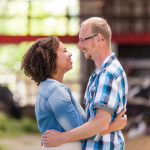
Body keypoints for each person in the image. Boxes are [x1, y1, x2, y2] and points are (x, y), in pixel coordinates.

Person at [21, 35, 126, 150]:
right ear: (51, 59)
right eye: (64, 51)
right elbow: (79, 130)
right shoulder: (55, 91)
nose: (70, 53)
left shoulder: (47, 87)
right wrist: (114, 126)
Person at [42, 17, 128, 150]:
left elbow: (99, 123)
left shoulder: (107, 74)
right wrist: (113, 126)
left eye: (83, 39)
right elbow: (91, 123)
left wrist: (61, 138)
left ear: (99, 39)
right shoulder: (98, 74)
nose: (79, 45)